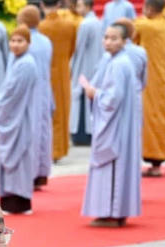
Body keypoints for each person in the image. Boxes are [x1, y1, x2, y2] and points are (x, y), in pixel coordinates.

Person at [82, 23, 143, 226]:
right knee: (118, 165)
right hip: (121, 123)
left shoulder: (119, 63)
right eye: (106, 37)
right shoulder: (116, 61)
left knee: (113, 165)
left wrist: (94, 93)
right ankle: (115, 212)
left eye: (114, 38)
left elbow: (111, 99)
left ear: (125, 41)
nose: (108, 41)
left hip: (116, 125)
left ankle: (112, 213)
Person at [0, 26, 41, 215]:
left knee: (19, 158)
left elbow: (12, 95)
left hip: (19, 118)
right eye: (13, 41)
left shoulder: (26, 64)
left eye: (20, 41)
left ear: (28, 43)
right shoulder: (17, 61)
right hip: (13, 116)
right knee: (13, 159)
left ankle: (18, 203)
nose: (15, 45)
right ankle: (10, 201)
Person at [134, 0, 165, 176]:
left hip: (152, 79)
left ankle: (155, 163)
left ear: (149, 9)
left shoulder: (145, 26)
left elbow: (129, 31)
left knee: (153, 119)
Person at [19, 4, 55, 189]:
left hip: (28, 93)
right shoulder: (46, 41)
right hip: (44, 90)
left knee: (29, 132)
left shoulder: (24, 41)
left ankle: (29, 174)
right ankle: (41, 173)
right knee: (42, 132)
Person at [42, 0, 79, 162]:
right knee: (62, 110)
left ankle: (47, 149)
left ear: (42, 5)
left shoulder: (41, 27)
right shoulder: (70, 25)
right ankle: (59, 149)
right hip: (63, 71)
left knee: (46, 112)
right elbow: (72, 49)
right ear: (58, 5)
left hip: (45, 72)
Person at [70, 0, 104, 145]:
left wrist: (72, 65)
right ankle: (91, 132)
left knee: (82, 99)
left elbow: (79, 47)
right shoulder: (98, 22)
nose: (77, 9)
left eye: (79, 6)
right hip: (96, 64)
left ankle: (81, 134)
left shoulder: (85, 24)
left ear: (88, 6)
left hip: (84, 66)